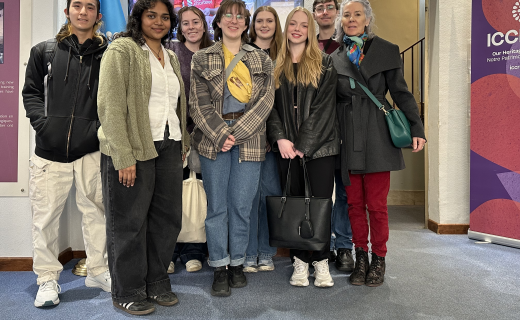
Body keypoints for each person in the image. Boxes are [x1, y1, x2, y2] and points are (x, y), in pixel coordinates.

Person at [97, 0, 189, 315]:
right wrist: (123, 156)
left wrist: (183, 143)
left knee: (166, 221)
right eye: (152, 15)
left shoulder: (172, 56)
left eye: (165, 17)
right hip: (133, 148)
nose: (159, 22)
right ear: (139, 17)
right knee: (129, 223)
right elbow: (110, 106)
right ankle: (128, 290)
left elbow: (176, 105)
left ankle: (156, 282)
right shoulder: (122, 50)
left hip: (169, 146)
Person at [22, 0, 111, 308]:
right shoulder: (44, 51)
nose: (82, 11)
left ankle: (98, 271)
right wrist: (44, 126)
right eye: (77, 5)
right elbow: (31, 93)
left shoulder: (107, 54)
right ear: (68, 11)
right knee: (45, 220)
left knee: (97, 214)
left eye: (89, 6)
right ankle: (47, 280)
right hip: (49, 152)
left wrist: (98, 132)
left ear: (98, 15)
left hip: (91, 150)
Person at [331, 0, 426, 287]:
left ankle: (379, 258)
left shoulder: (386, 49)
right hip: (347, 133)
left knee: (376, 204)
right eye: (346, 15)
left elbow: (401, 92)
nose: (351, 19)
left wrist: (416, 127)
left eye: (357, 14)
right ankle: (361, 257)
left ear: (367, 19)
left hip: (377, 133)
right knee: (354, 204)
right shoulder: (334, 56)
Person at [190, 0, 274, 297]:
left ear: (246, 22)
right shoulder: (202, 58)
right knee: (217, 208)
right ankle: (220, 266)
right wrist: (219, 133)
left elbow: (266, 102)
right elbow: (197, 104)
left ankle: (238, 262)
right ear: (220, 21)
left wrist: (236, 133)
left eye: (240, 16)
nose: (235, 20)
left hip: (249, 140)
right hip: (213, 141)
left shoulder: (261, 59)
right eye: (229, 15)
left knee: (241, 206)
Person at [266, 6, 339, 288]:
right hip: (285, 148)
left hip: (320, 148)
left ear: (310, 29)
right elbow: (268, 108)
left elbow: (324, 110)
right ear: (286, 29)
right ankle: (299, 260)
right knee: (294, 202)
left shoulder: (325, 63)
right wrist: (281, 138)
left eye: (303, 25)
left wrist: (304, 145)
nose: (297, 29)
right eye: (292, 24)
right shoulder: (275, 65)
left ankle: (320, 261)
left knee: (319, 204)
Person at [166, 5, 213, 274]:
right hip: (176, 135)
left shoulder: (215, 53)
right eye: (186, 23)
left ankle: (194, 249)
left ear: (204, 24)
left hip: (207, 136)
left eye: (196, 22)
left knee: (202, 195)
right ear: (179, 28)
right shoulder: (171, 52)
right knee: (173, 194)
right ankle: (171, 250)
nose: (191, 27)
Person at [312, 0, 354, 272]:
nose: (324, 11)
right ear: (314, 14)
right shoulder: (306, 45)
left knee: (347, 191)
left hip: (346, 126)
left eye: (329, 6)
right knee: (320, 193)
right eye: (319, 7)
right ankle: (321, 244)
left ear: (336, 13)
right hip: (316, 131)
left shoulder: (349, 47)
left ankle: (345, 246)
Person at [242, 5, 283, 273]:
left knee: (270, 194)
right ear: (253, 24)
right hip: (248, 135)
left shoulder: (284, 55)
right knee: (247, 196)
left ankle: (266, 252)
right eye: (260, 20)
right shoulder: (243, 54)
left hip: (277, 139)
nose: (265, 25)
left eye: (270, 20)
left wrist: (274, 134)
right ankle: (247, 253)